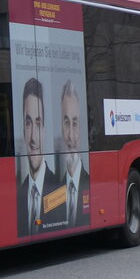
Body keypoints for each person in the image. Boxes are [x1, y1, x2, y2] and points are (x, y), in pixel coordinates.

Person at [16, 77, 65, 237]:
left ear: (44, 130)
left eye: (38, 123)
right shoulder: (19, 193)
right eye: (28, 123)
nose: (34, 139)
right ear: (23, 130)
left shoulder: (59, 187)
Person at [58, 79, 90, 228]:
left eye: (75, 123)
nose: (71, 136)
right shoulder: (54, 185)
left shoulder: (88, 180)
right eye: (66, 123)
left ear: (82, 127)